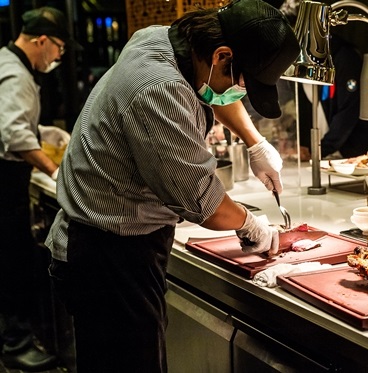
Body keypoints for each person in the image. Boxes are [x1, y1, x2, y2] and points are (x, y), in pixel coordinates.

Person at [45, 0, 299, 371]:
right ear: (222, 55)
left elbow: (206, 85)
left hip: (106, 244)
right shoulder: (159, 89)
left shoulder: (164, 41)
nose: (240, 95)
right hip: (110, 258)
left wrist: (254, 140)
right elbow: (203, 202)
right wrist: (249, 223)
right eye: (241, 83)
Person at [0, 6, 74, 371]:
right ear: (42, 40)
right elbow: (13, 136)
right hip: (3, 182)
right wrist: (55, 170)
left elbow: (15, 123)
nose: (59, 56)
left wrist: (44, 133)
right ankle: (16, 345)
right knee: (11, 260)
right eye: (58, 47)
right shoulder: (16, 73)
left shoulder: (6, 63)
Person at [280, 0, 368, 160]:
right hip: (328, 154)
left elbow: (349, 111)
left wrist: (319, 150)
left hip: (357, 154)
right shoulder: (303, 61)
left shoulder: (344, 57)